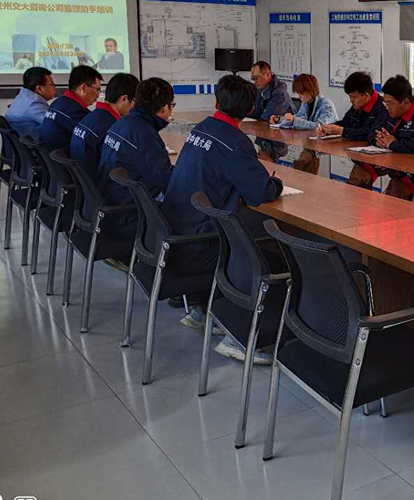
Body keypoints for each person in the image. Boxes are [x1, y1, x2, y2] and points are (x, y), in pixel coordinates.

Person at [162, 74, 284, 353]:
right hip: (200, 243)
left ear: (217, 102)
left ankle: (203, 310)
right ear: (250, 109)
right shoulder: (235, 142)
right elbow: (260, 192)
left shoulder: (202, 128)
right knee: (271, 261)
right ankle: (238, 338)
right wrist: (275, 183)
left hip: (177, 233)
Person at [96, 77, 175, 237]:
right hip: (131, 213)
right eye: (172, 105)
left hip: (112, 203)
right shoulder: (144, 134)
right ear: (165, 108)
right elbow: (167, 180)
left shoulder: (122, 123)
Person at [349, 75, 414, 201]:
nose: (387, 107)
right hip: (396, 163)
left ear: (405, 102)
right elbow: (372, 133)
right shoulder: (392, 112)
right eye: (386, 102)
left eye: (390, 103)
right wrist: (380, 141)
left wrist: (392, 144)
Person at [69, 73, 139, 177]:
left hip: (83, 179)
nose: (135, 106)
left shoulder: (93, 116)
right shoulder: (112, 127)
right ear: (124, 99)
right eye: (135, 101)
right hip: (97, 181)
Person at [274, 73, 337, 174]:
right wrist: (279, 119)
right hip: (312, 141)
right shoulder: (306, 103)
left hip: (326, 144)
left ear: (311, 90)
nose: (301, 155)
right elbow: (299, 117)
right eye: (302, 159)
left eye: (301, 92)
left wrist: (294, 120)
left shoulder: (326, 105)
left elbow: (319, 126)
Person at [38, 64, 101, 151]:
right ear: (83, 88)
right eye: (97, 90)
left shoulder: (59, 102)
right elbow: (97, 138)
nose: (98, 95)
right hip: (63, 157)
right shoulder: (75, 112)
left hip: (50, 155)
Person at [317, 71, 387, 141]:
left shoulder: (384, 108)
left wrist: (342, 131)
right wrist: (328, 128)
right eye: (350, 96)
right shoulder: (358, 104)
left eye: (354, 97)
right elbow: (346, 122)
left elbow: (372, 134)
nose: (351, 101)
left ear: (366, 96)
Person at [248, 61, 292, 162]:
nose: (255, 82)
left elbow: (266, 118)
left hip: (281, 134)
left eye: (256, 78)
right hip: (267, 133)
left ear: (268, 75)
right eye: (253, 79)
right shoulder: (260, 89)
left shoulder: (280, 93)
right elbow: (256, 113)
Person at [5, 66, 56, 137]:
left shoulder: (24, 96)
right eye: (52, 84)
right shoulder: (33, 105)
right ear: (39, 88)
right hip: (34, 141)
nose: (54, 87)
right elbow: (55, 125)